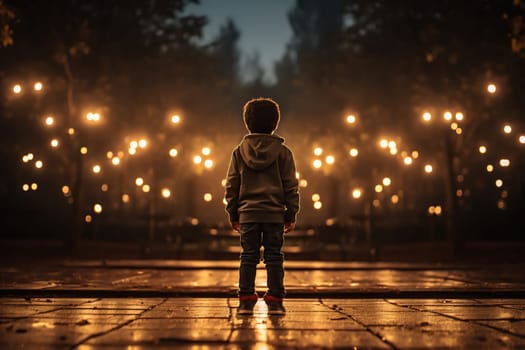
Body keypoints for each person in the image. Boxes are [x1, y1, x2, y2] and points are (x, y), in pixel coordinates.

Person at [225, 97, 300, 315]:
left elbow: (232, 185)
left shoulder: (239, 152)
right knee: (274, 255)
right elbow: (290, 186)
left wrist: (233, 212)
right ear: (275, 122)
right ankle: (275, 292)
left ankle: (246, 292)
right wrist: (291, 213)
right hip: (274, 214)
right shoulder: (284, 153)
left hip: (248, 213)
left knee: (248, 254)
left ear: (247, 121)